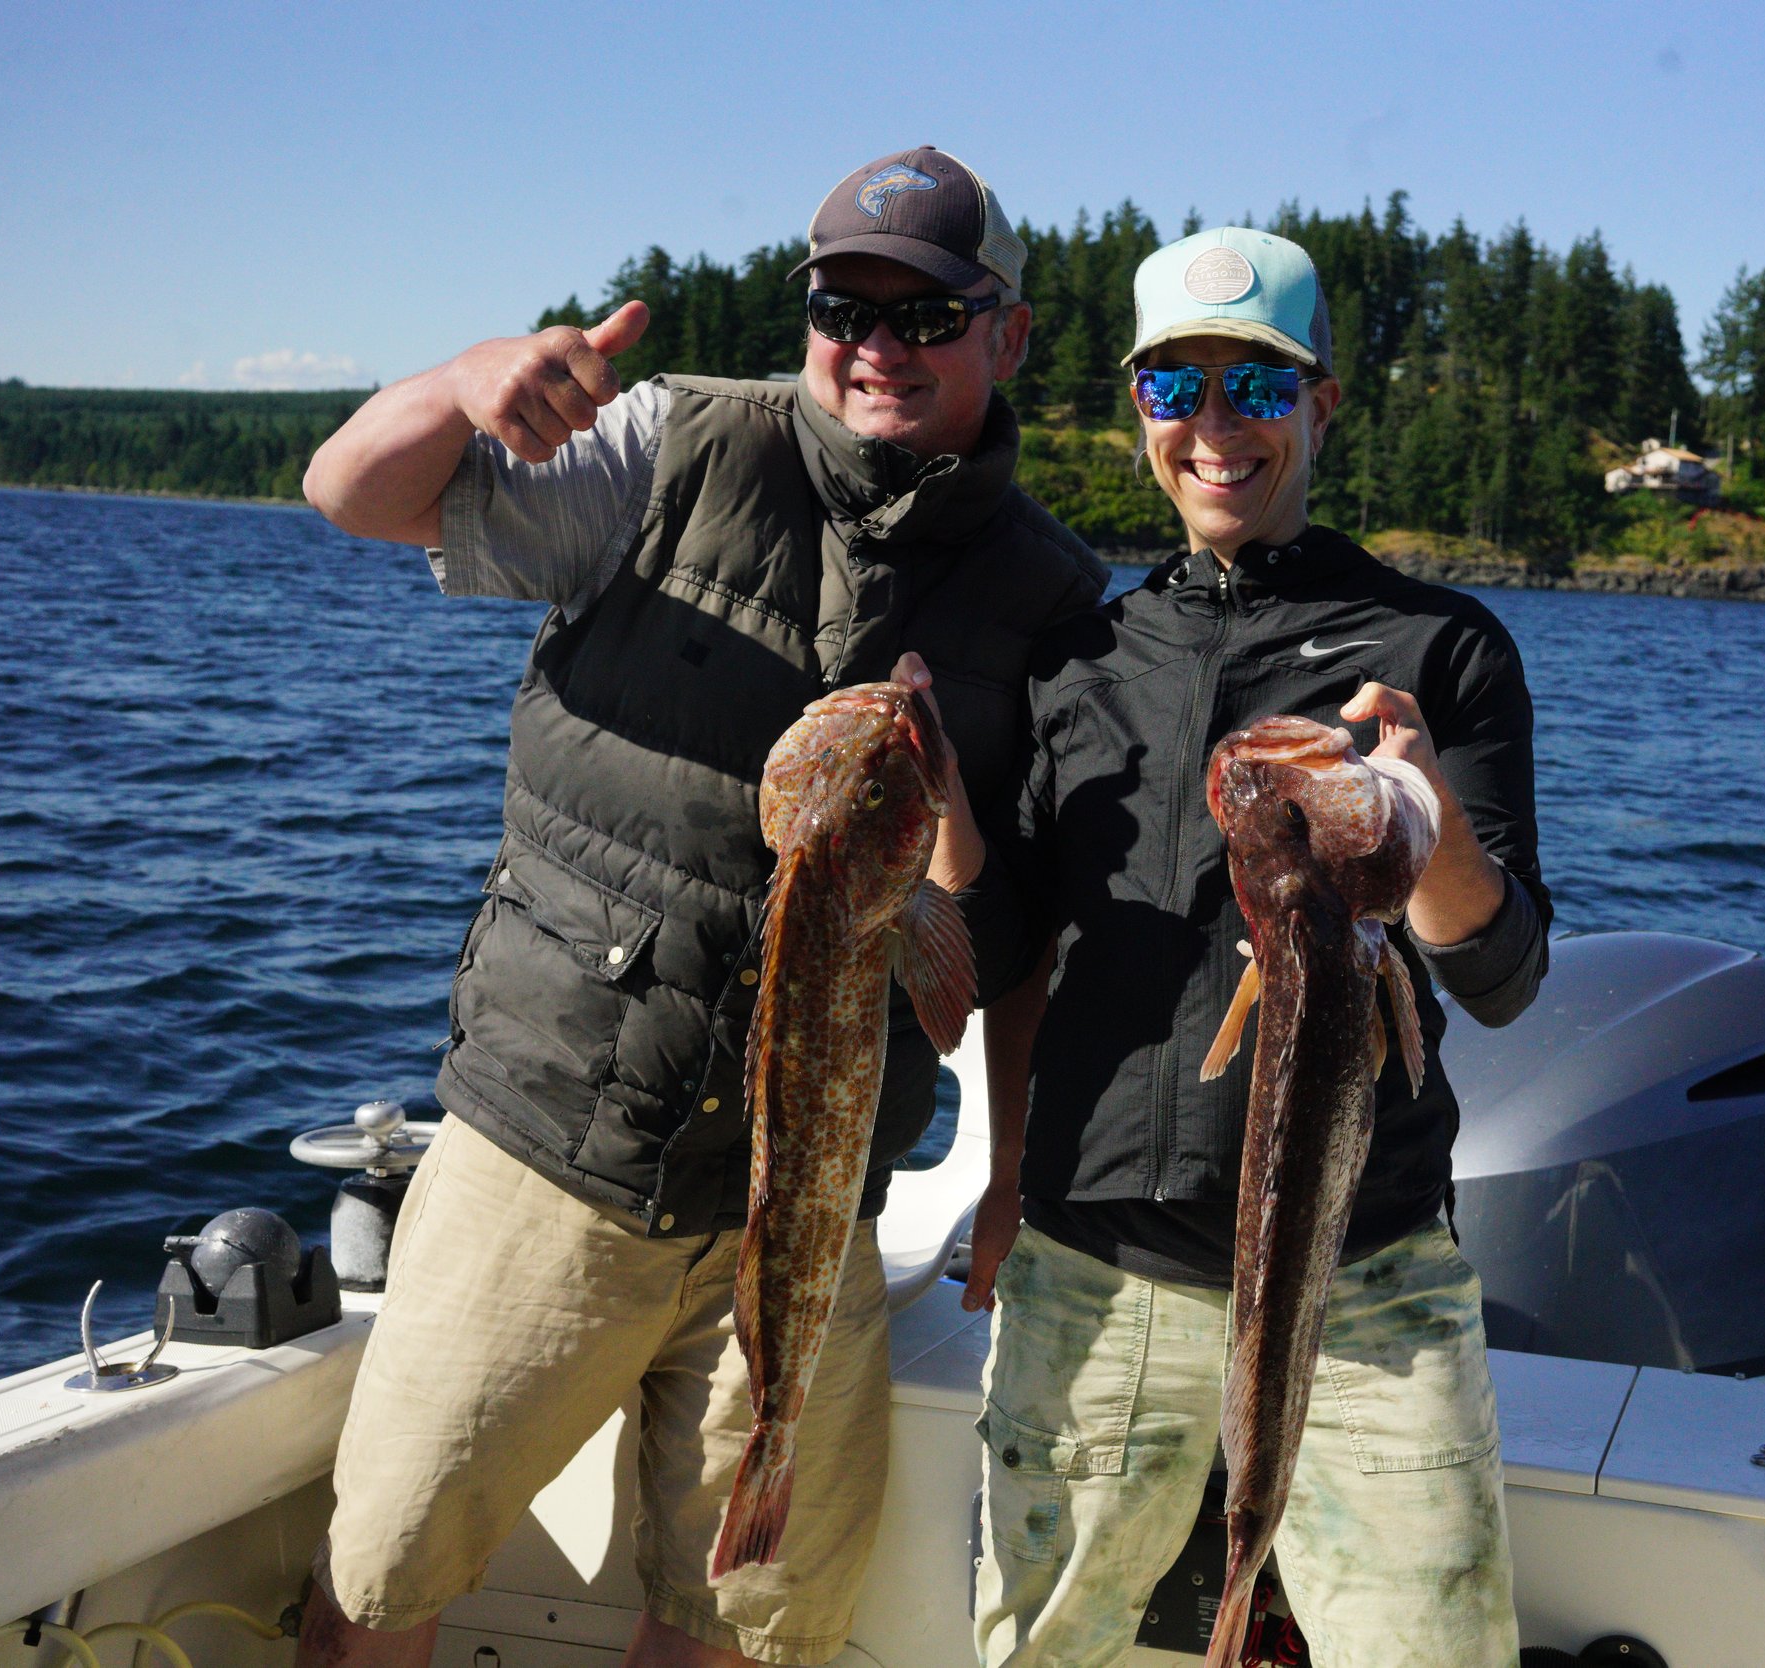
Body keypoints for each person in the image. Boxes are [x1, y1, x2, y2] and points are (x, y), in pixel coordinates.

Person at [294, 146, 1106, 1668]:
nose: (877, 344)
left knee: (748, 1615)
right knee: (385, 1571)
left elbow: (1017, 948)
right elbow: (351, 491)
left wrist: (1013, 1177)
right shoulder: (672, 449)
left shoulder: (1052, 597)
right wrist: (470, 379)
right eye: (842, 304)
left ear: (1007, 334)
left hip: (805, 1207)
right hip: (553, 1150)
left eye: (927, 316)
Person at [961, 227, 1552, 1668]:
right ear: (1138, 415)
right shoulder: (1080, 664)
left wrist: (1420, 816)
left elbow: (1500, 972)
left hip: (1370, 1281)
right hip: (1094, 1273)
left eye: (1261, 391)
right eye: (1177, 390)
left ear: (1327, 404)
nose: (1216, 430)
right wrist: (997, 1177)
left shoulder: (1439, 650)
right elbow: (1008, 964)